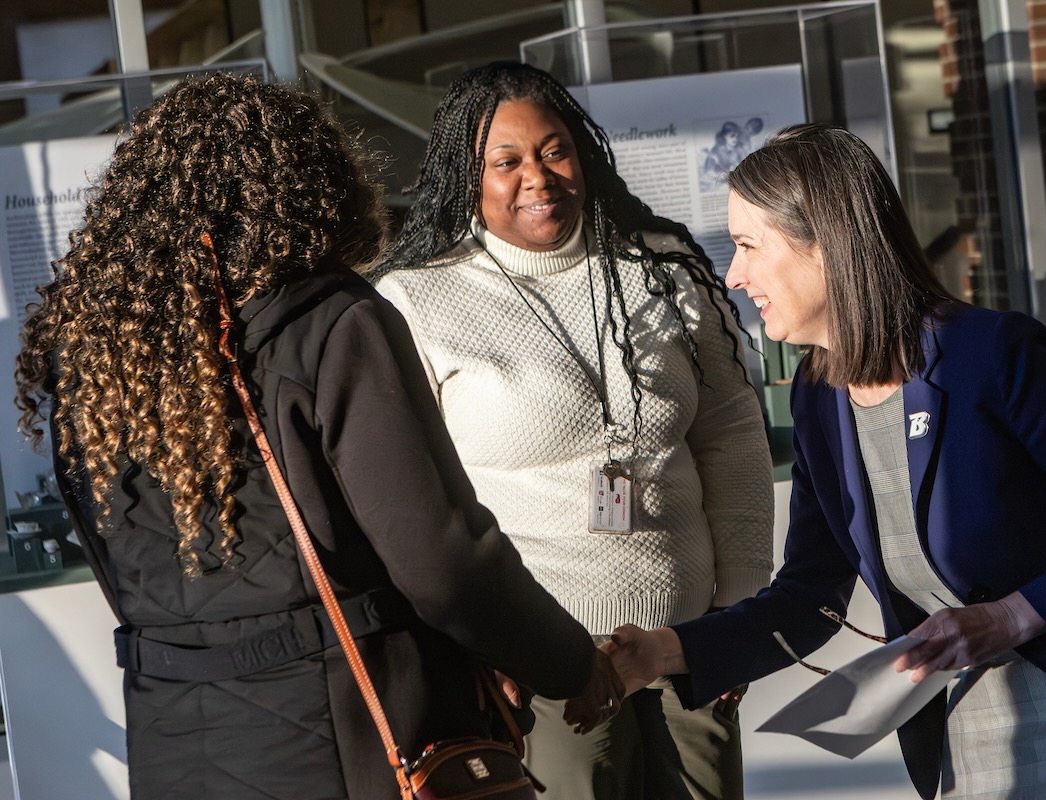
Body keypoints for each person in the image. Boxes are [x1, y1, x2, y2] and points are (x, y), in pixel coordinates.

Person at [14, 72, 622, 799]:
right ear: (308, 184)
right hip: (350, 738)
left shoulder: (100, 355)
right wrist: (571, 666)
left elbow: (115, 567)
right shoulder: (331, 324)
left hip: (173, 746)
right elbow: (444, 563)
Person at [582, 123, 1046, 799]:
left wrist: (1013, 616)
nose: (734, 274)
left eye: (749, 246)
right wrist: (663, 652)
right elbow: (809, 599)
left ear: (824, 244)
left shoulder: (989, 357)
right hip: (964, 734)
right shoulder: (821, 403)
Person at [368, 61, 774, 800]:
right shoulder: (416, 301)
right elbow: (417, 507)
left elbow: (732, 434)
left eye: (554, 150)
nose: (538, 177)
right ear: (468, 177)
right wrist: (474, 648)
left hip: (689, 645)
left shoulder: (662, 267)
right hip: (541, 663)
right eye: (507, 160)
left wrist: (740, 611)